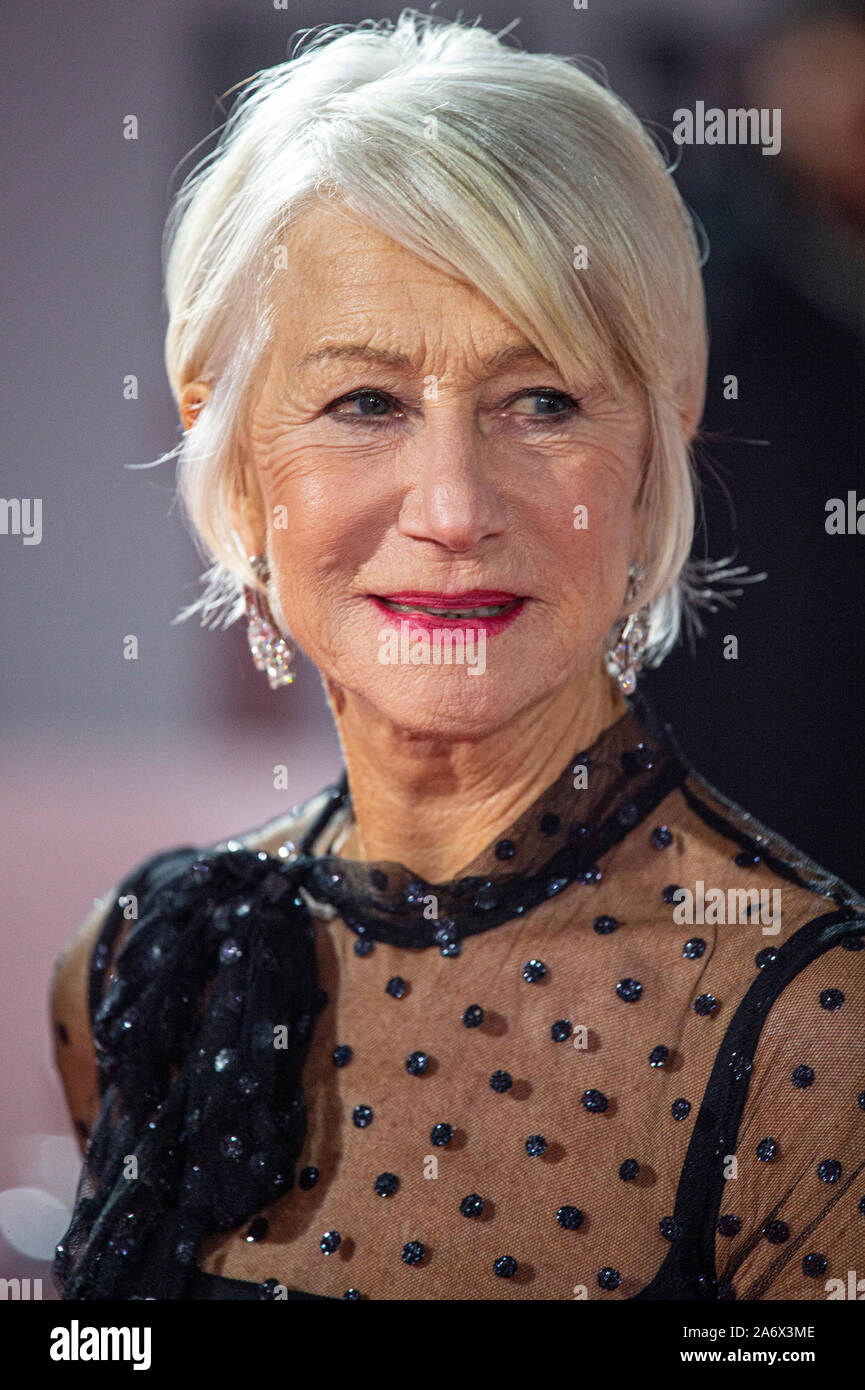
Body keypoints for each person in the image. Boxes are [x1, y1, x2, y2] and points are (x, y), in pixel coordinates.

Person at [50, 11, 864, 1302]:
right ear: (232, 448)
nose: (451, 505)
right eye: (363, 402)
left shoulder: (821, 1035)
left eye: (540, 400)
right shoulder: (146, 953)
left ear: (660, 439)